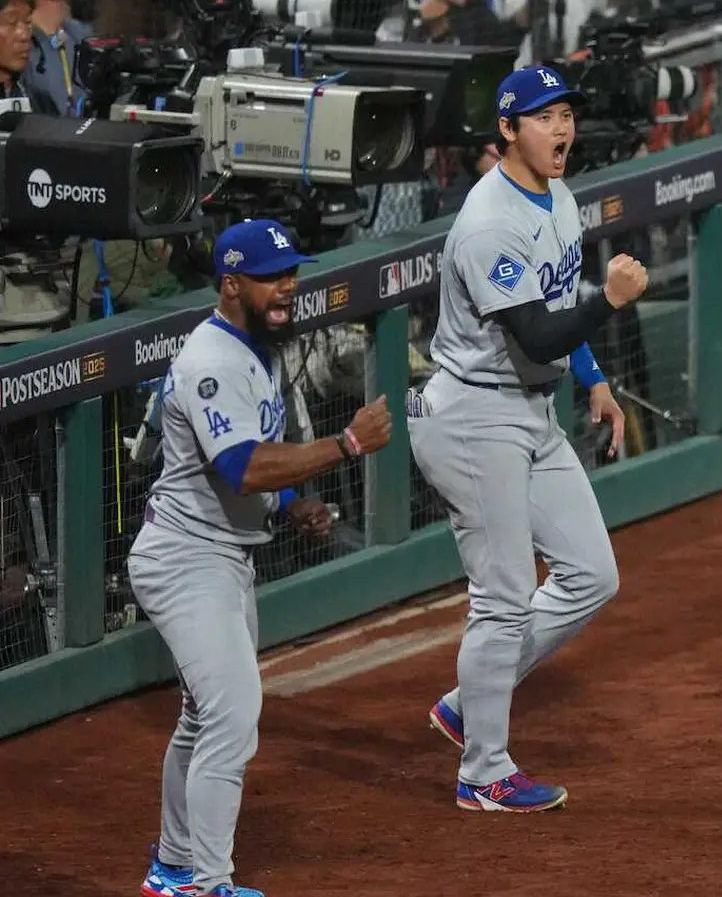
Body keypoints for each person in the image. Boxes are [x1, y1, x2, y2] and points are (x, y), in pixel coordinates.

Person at [406, 65, 649, 811]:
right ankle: (482, 773)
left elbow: (554, 308)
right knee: (504, 596)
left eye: (567, 113)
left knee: (590, 575)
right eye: (544, 117)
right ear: (506, 130)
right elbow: (538, 332)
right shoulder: (487, 224)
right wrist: (609, 303)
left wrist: (596, 376)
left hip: (528, 412)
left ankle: (465, 702)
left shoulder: (559, 194)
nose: (562, 128)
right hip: (475, 421)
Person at [128, 219, 393, 897]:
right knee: (232, 715)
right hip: (185, 560)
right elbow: (243, 467)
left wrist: (288, 506)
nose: (287, 287)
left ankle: (173, 867)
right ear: (230, 283)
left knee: (202, 716)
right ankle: (209, 883)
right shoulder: (211, 361)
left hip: (223, 556)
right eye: (272, 277)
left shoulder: (262, 349)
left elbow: (240, 479)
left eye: (291, 273)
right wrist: (346, 446)